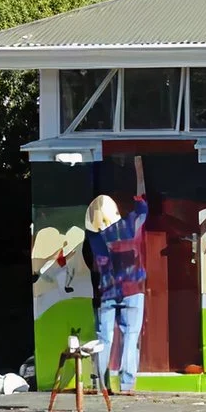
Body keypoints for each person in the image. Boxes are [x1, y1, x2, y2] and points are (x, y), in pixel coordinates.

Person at [83, 156, 148, 392]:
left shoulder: (94, 236)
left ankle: (102, 385)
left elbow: (90, 260)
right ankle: (127, 384)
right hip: (133, 290)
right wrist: (139, 170)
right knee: (131, 337)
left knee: (104, 339)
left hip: (106, 292)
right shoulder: (132, 224)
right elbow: (143, 202)